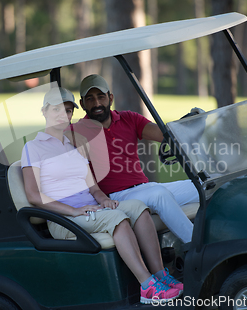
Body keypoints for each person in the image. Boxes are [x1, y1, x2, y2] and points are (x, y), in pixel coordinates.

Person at [21, 87, 182, 304]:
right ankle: (147, 286)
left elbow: (94, 187)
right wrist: (74, 210)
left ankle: (161, 275)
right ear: (44, 111)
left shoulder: (75, 145)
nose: (63, 115)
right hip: (64, 219)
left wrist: (103, 199)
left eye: (68, 111)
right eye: (57, 110)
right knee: (117, 219)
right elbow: (33, 196)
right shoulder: (33, 148)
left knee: (137, 208)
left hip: (91, 211)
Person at [69, 74, 199, 245]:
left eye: (101, 97)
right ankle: (198, 246)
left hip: (145, 188)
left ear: (110, 98)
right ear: (82, 104)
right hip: (116, 197)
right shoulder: (76, 131)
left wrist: (192, 124)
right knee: (159, 195)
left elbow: (164, 136)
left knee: (203, 185)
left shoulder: (128, 118)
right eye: (90, 99)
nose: (97, 104)